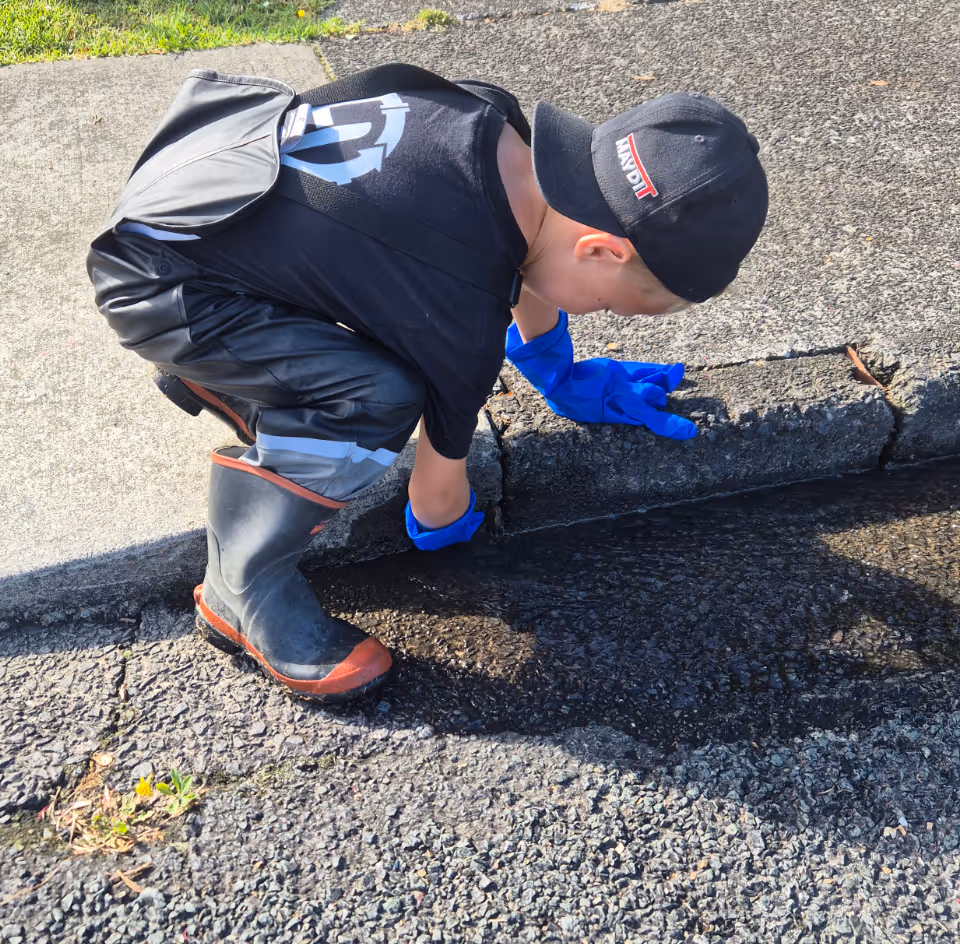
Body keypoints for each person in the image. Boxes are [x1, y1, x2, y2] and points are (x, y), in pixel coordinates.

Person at [87, 63, 768, 703]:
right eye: (614, 304)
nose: (598, 312)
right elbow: (434, 504)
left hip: (199, 184)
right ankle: (241, 586)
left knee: (382, 298)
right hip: (160, 285)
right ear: (601, 250)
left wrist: (552, 367)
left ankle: (227, 376)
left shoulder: (493, 124)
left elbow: (523, 260)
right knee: (378, 398)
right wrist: (456, 533)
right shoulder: (460, 318)